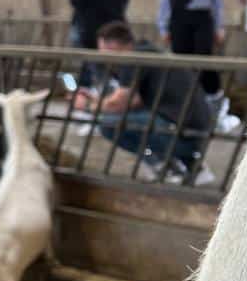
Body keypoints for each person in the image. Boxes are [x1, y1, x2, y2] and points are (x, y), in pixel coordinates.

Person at [75, 21, 216, 186]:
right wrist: (96, 101)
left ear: (112, 45)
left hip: (182, 134)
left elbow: (120, 103)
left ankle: (164, 165)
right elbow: (135, 101)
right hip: (199, 132)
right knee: (129, 119)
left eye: (103, 50)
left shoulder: (133, 58)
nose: (103, 56)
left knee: (108, 125)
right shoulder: (149, 52)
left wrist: (87, 106)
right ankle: (191, 166)